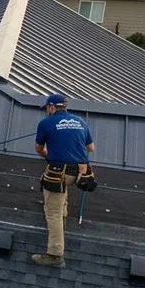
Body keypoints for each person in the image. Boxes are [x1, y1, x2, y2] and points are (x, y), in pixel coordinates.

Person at [32, 93, 95, 267]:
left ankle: (55, 255)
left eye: (47, 108)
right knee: (60, 194)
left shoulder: (46, 123)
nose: (47, 110)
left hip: (60, 173)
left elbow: (39, 148)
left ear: (52, 107)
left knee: (52, 212)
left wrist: (49, 154)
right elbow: (91, 148)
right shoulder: (80, 121)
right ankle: (64, 214)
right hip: (83, 173)